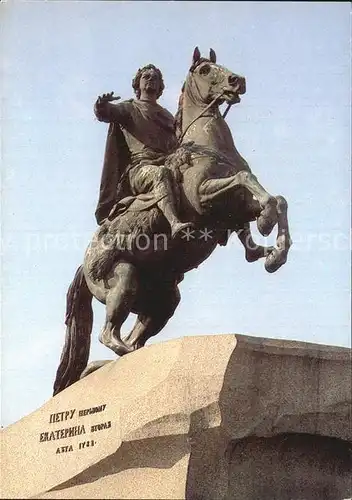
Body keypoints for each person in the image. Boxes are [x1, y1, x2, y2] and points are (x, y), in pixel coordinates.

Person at [94, 64, 194, 239]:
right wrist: (101, 104)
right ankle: (174, 223)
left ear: (160, 86)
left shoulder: (168, 115)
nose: (150, 79)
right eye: (146, 76)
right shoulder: (129, 108)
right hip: (140, 169)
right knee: (159, 174)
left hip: (168, 162)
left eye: (155, 77)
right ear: (137, 84)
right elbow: (107, 112)